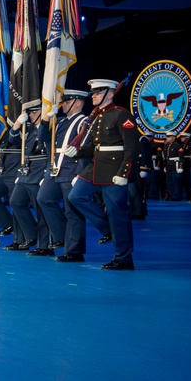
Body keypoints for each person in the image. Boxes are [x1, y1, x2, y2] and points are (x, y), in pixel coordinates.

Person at [65, 78, 140, 270]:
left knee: (118, 214)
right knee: (76, 196)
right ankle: (107, 229)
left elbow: (132, 148)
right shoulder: (97, 116)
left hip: (115, 169)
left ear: (111, 93)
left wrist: (125, 172)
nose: (94, 96)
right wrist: (78, 152)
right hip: (96, 167)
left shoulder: (122, 115)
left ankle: (123, 258)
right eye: (93, 92)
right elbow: (93, 146)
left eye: (98, 92)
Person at [34, 89, 89, 258]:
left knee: (72, 211)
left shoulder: (84, 122)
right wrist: (45, 120)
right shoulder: (60, 122)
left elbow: (85, 149)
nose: (62, 105)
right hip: (55, 168)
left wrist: (79, 174)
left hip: (71, 169)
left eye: (66, 102)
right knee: (43, 199)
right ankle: (62, 236)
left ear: (77, 103)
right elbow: (42, 138)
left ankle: (74, 251)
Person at [6, 101, 49, 252]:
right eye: (29, 113)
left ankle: (44, 246)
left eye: (33, 112)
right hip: (26, 172)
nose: (30, 115)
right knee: (15, 202)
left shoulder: (48, 128)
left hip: (39, 171)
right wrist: (17, 125)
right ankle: (32, 234)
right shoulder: (28, 129)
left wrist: (47, 173)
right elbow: (12, 140)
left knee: (41, 210)